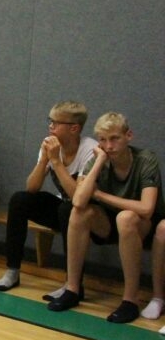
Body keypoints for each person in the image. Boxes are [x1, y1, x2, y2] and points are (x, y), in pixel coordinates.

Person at [48, 112, 165, 323]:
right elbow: (78, 201)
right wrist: (99, 161)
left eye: (114, 138)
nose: (109, 146)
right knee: (79, 212)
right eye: (103, 140)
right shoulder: (98, 159)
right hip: (109, 224)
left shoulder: (145, 160)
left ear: (128, 136)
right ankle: (72, 288)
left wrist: (101, 195)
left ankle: (130, 300)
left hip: (143, 226)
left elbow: (147, 208)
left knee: (126, 218)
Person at [0, 102, 97, 293]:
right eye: (50, 121)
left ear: (74, 128)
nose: (51, 126)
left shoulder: (90, 150)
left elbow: (77, 198)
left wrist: (56, 161)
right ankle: (12, 270)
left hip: (90, 215)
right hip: (65, 209)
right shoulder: (51, 145)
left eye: (56, 123)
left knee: (68, 209)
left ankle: (72, 283)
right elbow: (31, 187)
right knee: (19, 200)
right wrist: (44, 160)